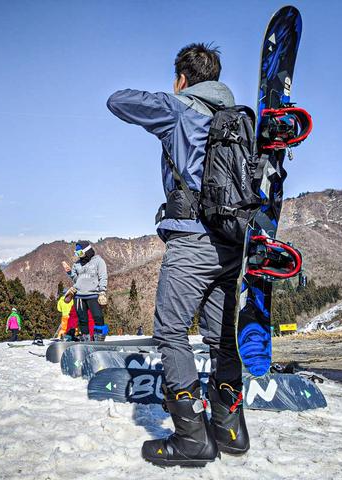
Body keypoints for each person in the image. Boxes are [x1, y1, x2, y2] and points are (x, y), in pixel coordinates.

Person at [107, 43, 248, 467]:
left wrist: (172, 98)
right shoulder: (238, 120)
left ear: (182, 78)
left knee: (171, 333)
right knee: (221, 336)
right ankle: (230, 429)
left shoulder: (181, 109)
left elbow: (117, 101)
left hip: (191, 241)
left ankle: (191, 438)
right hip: (232, 244)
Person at [61, 241, 108, 341]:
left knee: (98, 318)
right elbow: (77, 280)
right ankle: (85, 340)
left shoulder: (98, 261)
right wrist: (70, 273)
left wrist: (102, 292)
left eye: (80, 253)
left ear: (87, 251)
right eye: (77, 253)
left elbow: (103, 277)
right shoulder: (76, 264)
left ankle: (100, 339)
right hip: (79, 296)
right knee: (82, 320)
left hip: (93, 294)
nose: (79, 256)